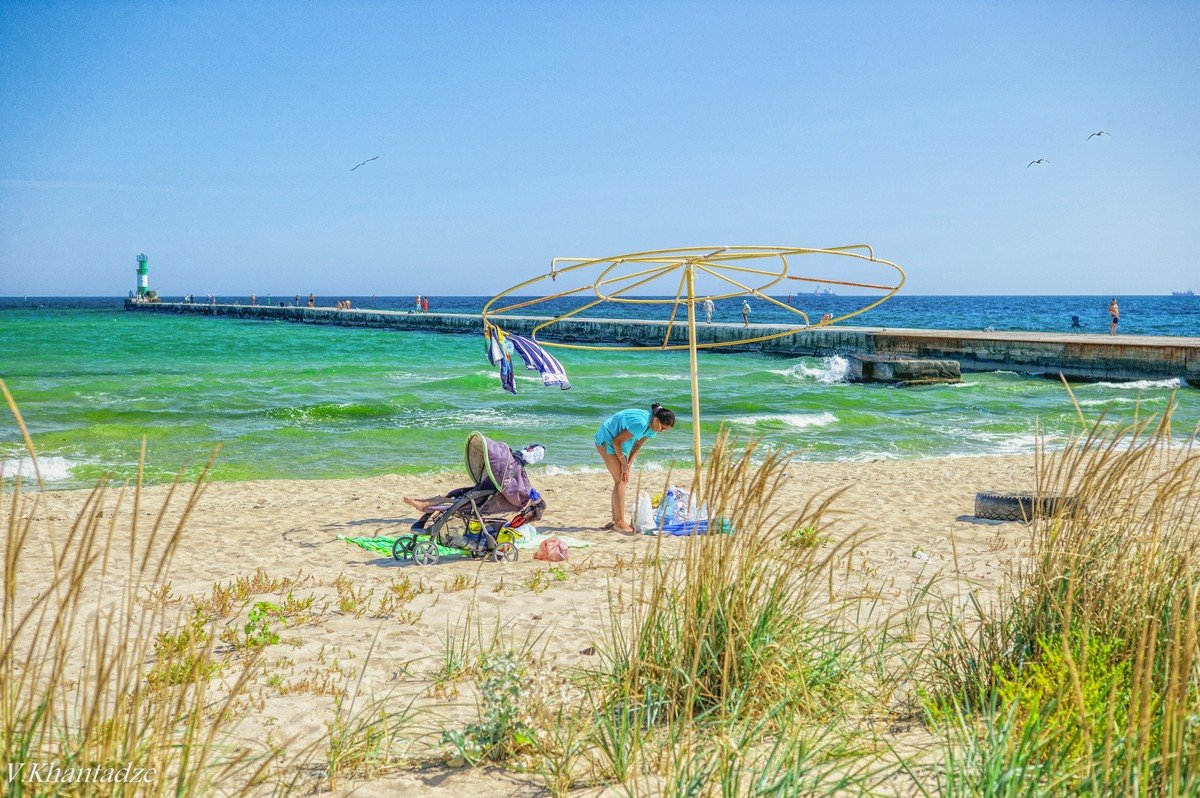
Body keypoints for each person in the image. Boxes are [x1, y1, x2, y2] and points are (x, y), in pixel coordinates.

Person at [594, 403, 675, 532]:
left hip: (620, 443)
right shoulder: (641, 423)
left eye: (664, 430)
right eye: (662, 428)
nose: (661, 431)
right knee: (621, 480)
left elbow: (637, 445)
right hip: (607, 438)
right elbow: (616, 441)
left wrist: (629, 463)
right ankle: (619, 522)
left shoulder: (652, 428)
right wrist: (623, 464)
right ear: (656, 420)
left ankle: (616, 520)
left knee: (622, 479)